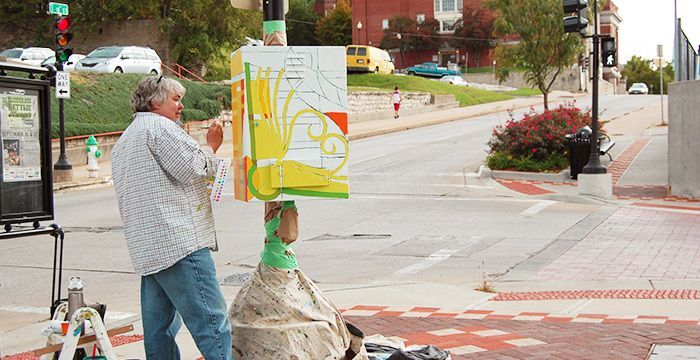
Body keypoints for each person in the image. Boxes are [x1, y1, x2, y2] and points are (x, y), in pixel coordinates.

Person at [111, 76, 232, 360]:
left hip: (149, 247)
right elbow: (192, 168)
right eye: (175, 99)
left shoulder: (126, 138)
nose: (181, 105)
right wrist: (212, 146)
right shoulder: (161, 128)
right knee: (212, 322)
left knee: (158, 328)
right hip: (179, 241)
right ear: (155, 103)